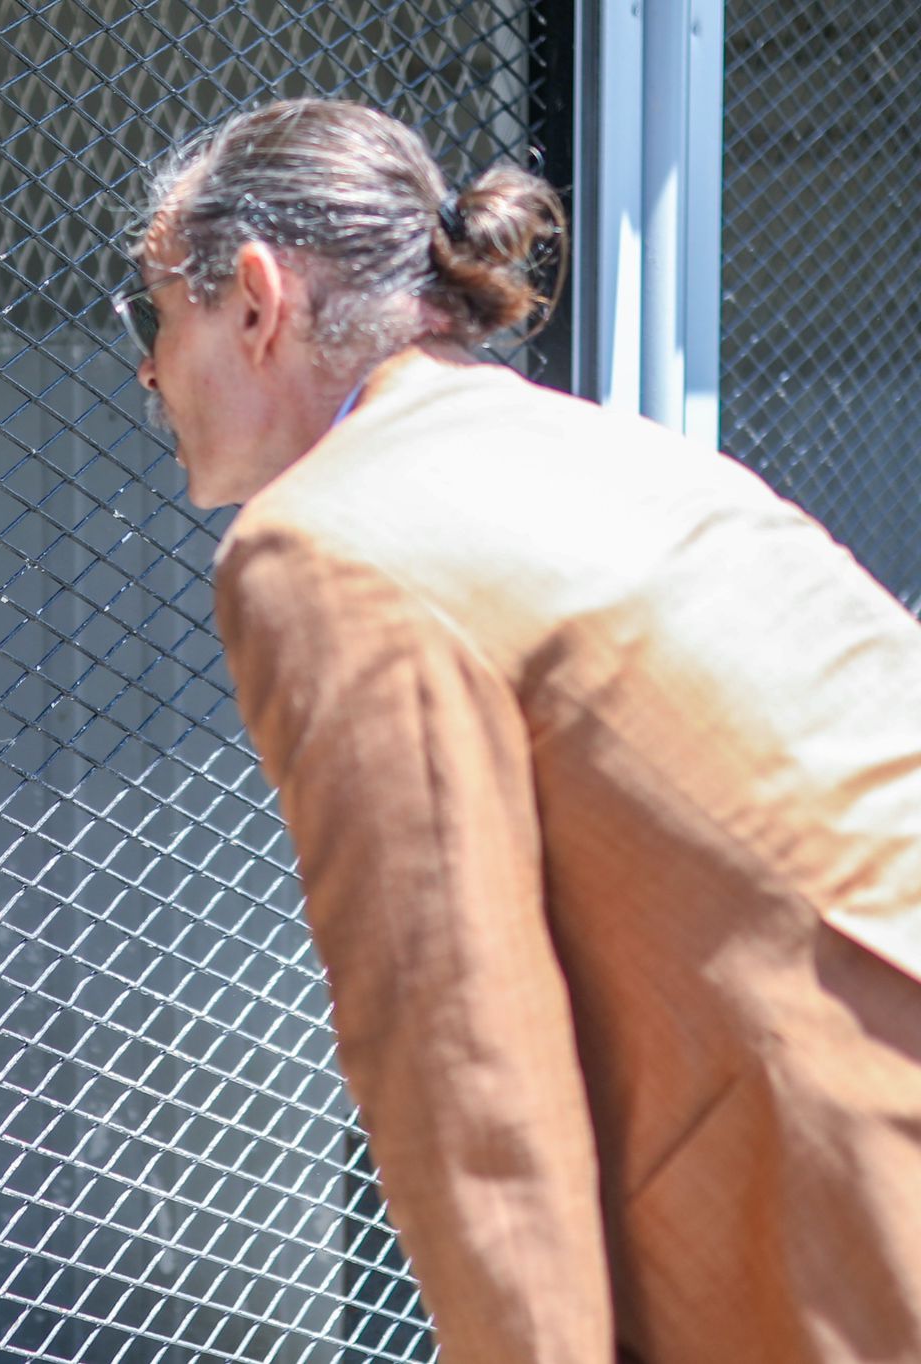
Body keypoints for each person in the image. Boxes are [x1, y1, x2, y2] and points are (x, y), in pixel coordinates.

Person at [122, 98, 921, 1363]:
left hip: (852, 1187)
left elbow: (463, 1065)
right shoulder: (598, 445)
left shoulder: (319, 543)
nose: (149, 368)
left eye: (154, 312)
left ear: (257, 298)